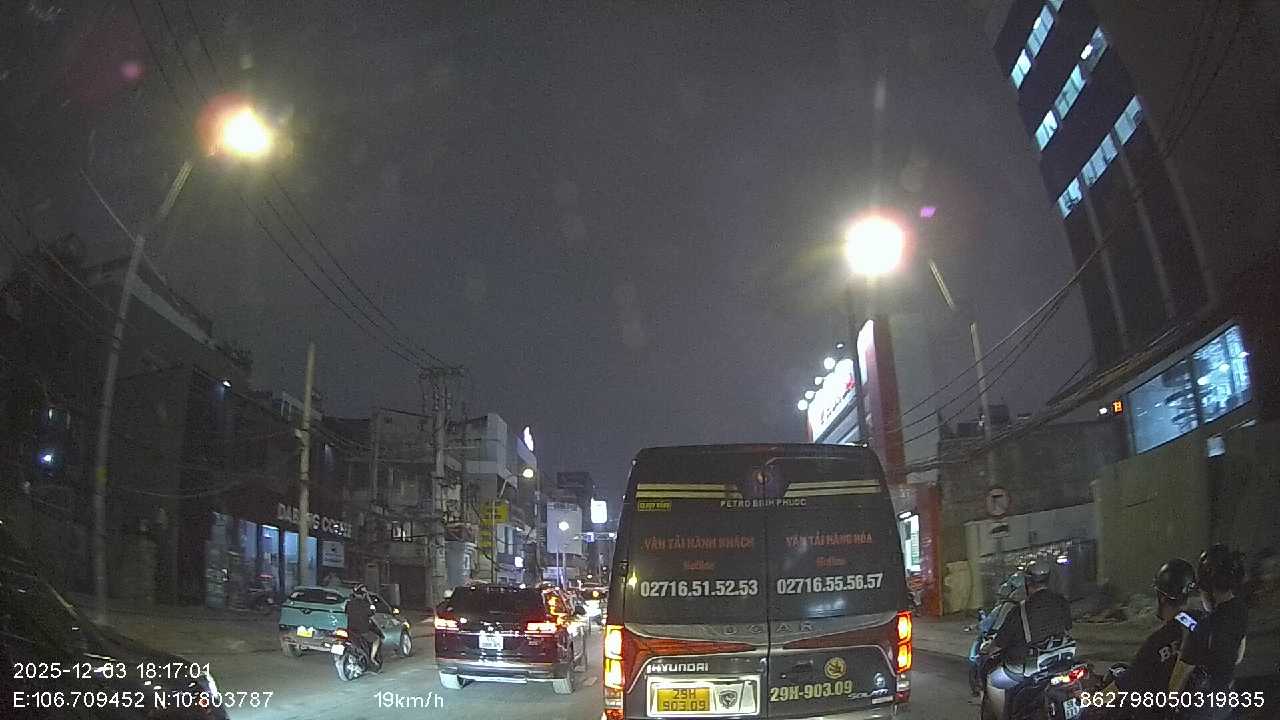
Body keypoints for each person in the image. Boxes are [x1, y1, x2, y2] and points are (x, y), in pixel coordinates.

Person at [1098, 558, 1196, 719]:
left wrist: (1090, 702)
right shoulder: (1198, 624)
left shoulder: (1157, 642)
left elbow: (1123, 685)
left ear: (1162, 597)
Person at [1168, 545, 1248, 717]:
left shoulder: (1203, 629)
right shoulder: (1240, 610)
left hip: (1202, 711)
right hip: (1226, 703)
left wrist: (1184, 649)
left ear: (1208, 587)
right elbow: (1238, 657)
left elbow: (1173, 692)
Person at [981, 559, 1073, 664]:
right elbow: (1068, 626)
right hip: (1057, 656)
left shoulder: (1020, 610)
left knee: (991, 669)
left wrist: (987, 651)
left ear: (1027, 582)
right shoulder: (1061, 601)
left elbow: (1000, 642)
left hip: (1030, 662)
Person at [345, 585, 383, 672]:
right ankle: (372, 658)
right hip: (362, 630)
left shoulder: (349, 603)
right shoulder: (365, 604)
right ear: (363, 594)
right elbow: (372, 611)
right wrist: (368, 598)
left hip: (350, 629)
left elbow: (346, 612)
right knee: (376, 639)